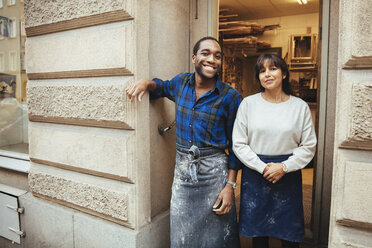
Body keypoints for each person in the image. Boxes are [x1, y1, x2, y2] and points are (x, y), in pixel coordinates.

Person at [126, 36, 241, 248]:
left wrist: (230, 186)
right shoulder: (181, 83)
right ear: (194, 57)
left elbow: (236, 146)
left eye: (217, 56)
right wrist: (145, 83)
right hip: (183, 172)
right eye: (205, 53)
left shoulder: (231, 97)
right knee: (182, 233)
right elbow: (161, 87)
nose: (212, 59)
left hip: (214, 173)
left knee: (217, 235)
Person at [232, 54, 317, 248]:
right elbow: (239, 144)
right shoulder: (248, 104)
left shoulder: (299, 107)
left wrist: (284, 167)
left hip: (287, 175)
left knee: (289, 236)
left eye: (273, 69)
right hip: (256, 174)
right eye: (262, 71)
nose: (267, 74)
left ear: (284, 74)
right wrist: (263, 168)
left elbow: (309, 145)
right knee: (259, 236)